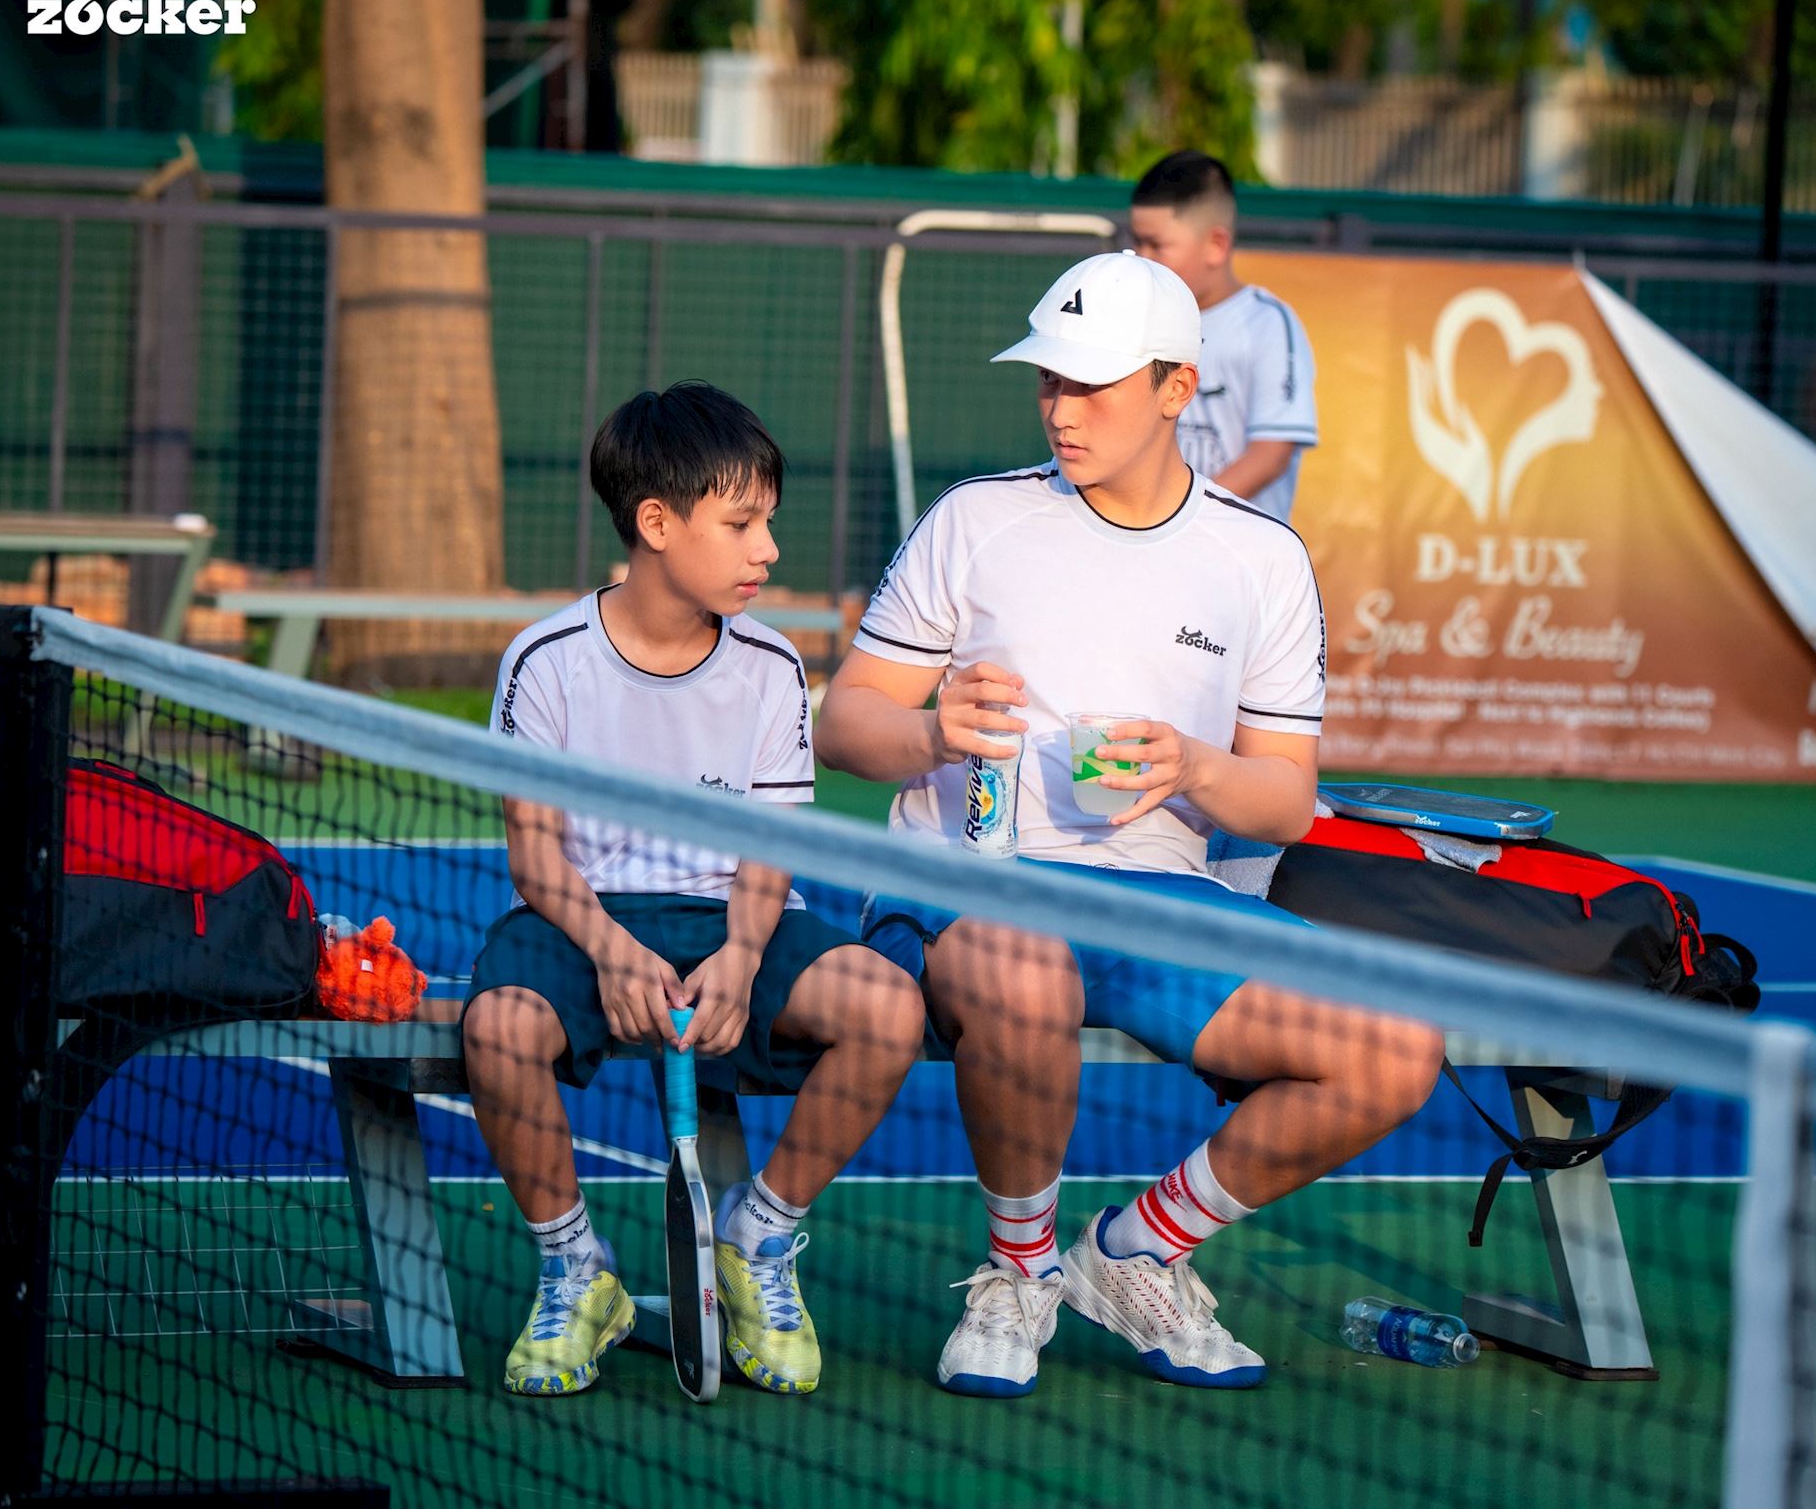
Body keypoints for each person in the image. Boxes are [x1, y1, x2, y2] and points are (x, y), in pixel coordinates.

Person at [815, 252, 1442, 1398]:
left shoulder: (1260, 556)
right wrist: (932, 734)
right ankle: (1018, 1270)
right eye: (1048, 381)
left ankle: (1141, 1247)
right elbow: (844, 721)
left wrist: (1198, 766)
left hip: (1164, 898)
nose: (1059, 407)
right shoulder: (975, 518)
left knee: (1396, 1049)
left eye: (1090, 385)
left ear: (1174, 387)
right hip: (974, 887)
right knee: (1025, 970)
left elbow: (1286, 799)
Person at [464, 381, 926, 1399]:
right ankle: (574, 1267)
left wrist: (746, 953)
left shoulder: (768, 662)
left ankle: (758, 1236)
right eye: (742, 523)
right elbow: (536, 855)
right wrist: (611, 950)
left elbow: (768, 851)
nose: (767, 548)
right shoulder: (543, 660)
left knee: (888, 1005)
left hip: (739, 922)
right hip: (583, 915)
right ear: (656, 524)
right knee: (496, 1030)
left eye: (768, 521)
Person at [1129, 149, 1318, 525]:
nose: (1140, 257)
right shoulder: (1135, 318)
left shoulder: (1267, 323)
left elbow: (1271, 454)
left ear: (1215, 245)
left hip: (1234, 550)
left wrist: (1183, 518)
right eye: (1136, 241)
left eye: (1157, 245)